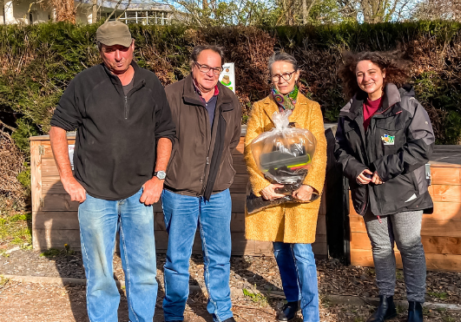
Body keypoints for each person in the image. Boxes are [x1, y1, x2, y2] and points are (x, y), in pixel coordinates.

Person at [49, 21, 176, 322]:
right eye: (110, 50)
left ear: (133, 46)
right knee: (100, 273)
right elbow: (58, 128)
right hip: (94, 194)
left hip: (139, 193)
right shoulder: (84, 83)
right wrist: (67, 178)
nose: (118, 56)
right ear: (101, 51)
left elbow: (166, 132)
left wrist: (158, 178)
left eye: (122, 48)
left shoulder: (151, 83)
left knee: (144, 271)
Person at [334, 51, 435, 322]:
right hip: (369, 193)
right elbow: (340, 149)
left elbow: (422, 145)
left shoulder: (406, 106)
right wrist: (356, 171)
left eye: (372, 72)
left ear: (385, 74)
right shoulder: (349, 112)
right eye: (360, 74)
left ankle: (415, 305)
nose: (366, 78)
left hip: (403, 190)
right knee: (380, 248)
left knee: (409, 245)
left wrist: (383, 169)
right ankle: (386, 301)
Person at [244, 52, 327, 322]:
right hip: (273, 190)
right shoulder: (260, 107)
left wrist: (311, 185)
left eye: (286, 74)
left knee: (302, 252)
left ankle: (311, 313)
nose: (281, 80)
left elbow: (320, 151)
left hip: (301, 192)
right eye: (276, 75)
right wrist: (260, 185)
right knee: (280, 250)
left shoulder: (311, 107)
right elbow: (250, 149)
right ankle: (292, 299)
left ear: (297, 75)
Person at [162, 45, 242, 322]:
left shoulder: (230, 100)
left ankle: (222, 312)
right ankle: (173, 314)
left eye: (216, 68)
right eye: (204, 67)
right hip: (179, 190)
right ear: (193, 66)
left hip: (217, 191)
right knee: (176, 259)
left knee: (219, 256)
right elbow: (160, 137)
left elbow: (231, 141)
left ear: (222, 70)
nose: (210, 73)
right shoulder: (172, 95)